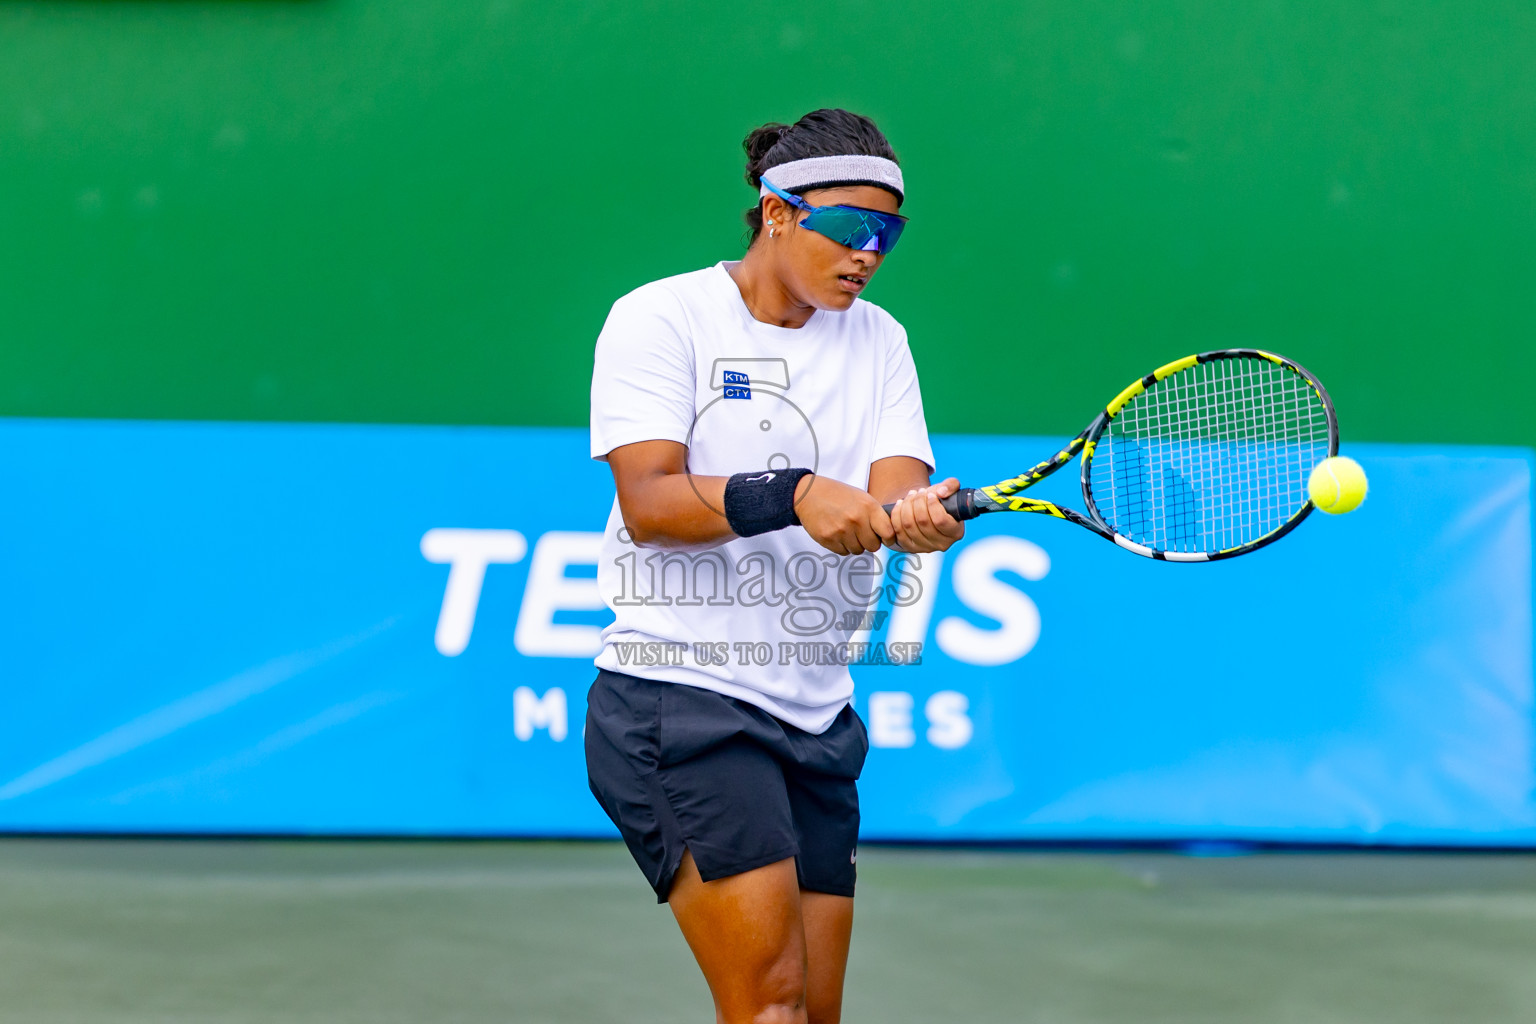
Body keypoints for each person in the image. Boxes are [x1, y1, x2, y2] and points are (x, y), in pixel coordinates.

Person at [585, 107, 963, 1024]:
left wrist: (912, 521)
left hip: (816, 717)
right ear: (778, 211)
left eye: (887, 233)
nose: (867, 253)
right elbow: (650, 504)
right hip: (682, 701)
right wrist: (791, 492)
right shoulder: (660, 317)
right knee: (772, 1007)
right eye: (847, 227)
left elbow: (892, 494)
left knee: (810, 1018)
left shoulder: (881, 340)